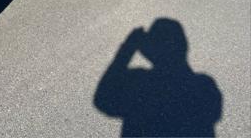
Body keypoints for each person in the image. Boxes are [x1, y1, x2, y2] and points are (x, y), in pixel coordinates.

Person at [94, 18, 222, 137]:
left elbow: (103, 99)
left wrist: (128, 48)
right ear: (184, 47)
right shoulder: (204, 86)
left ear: (149, 50)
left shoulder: (138, 83)